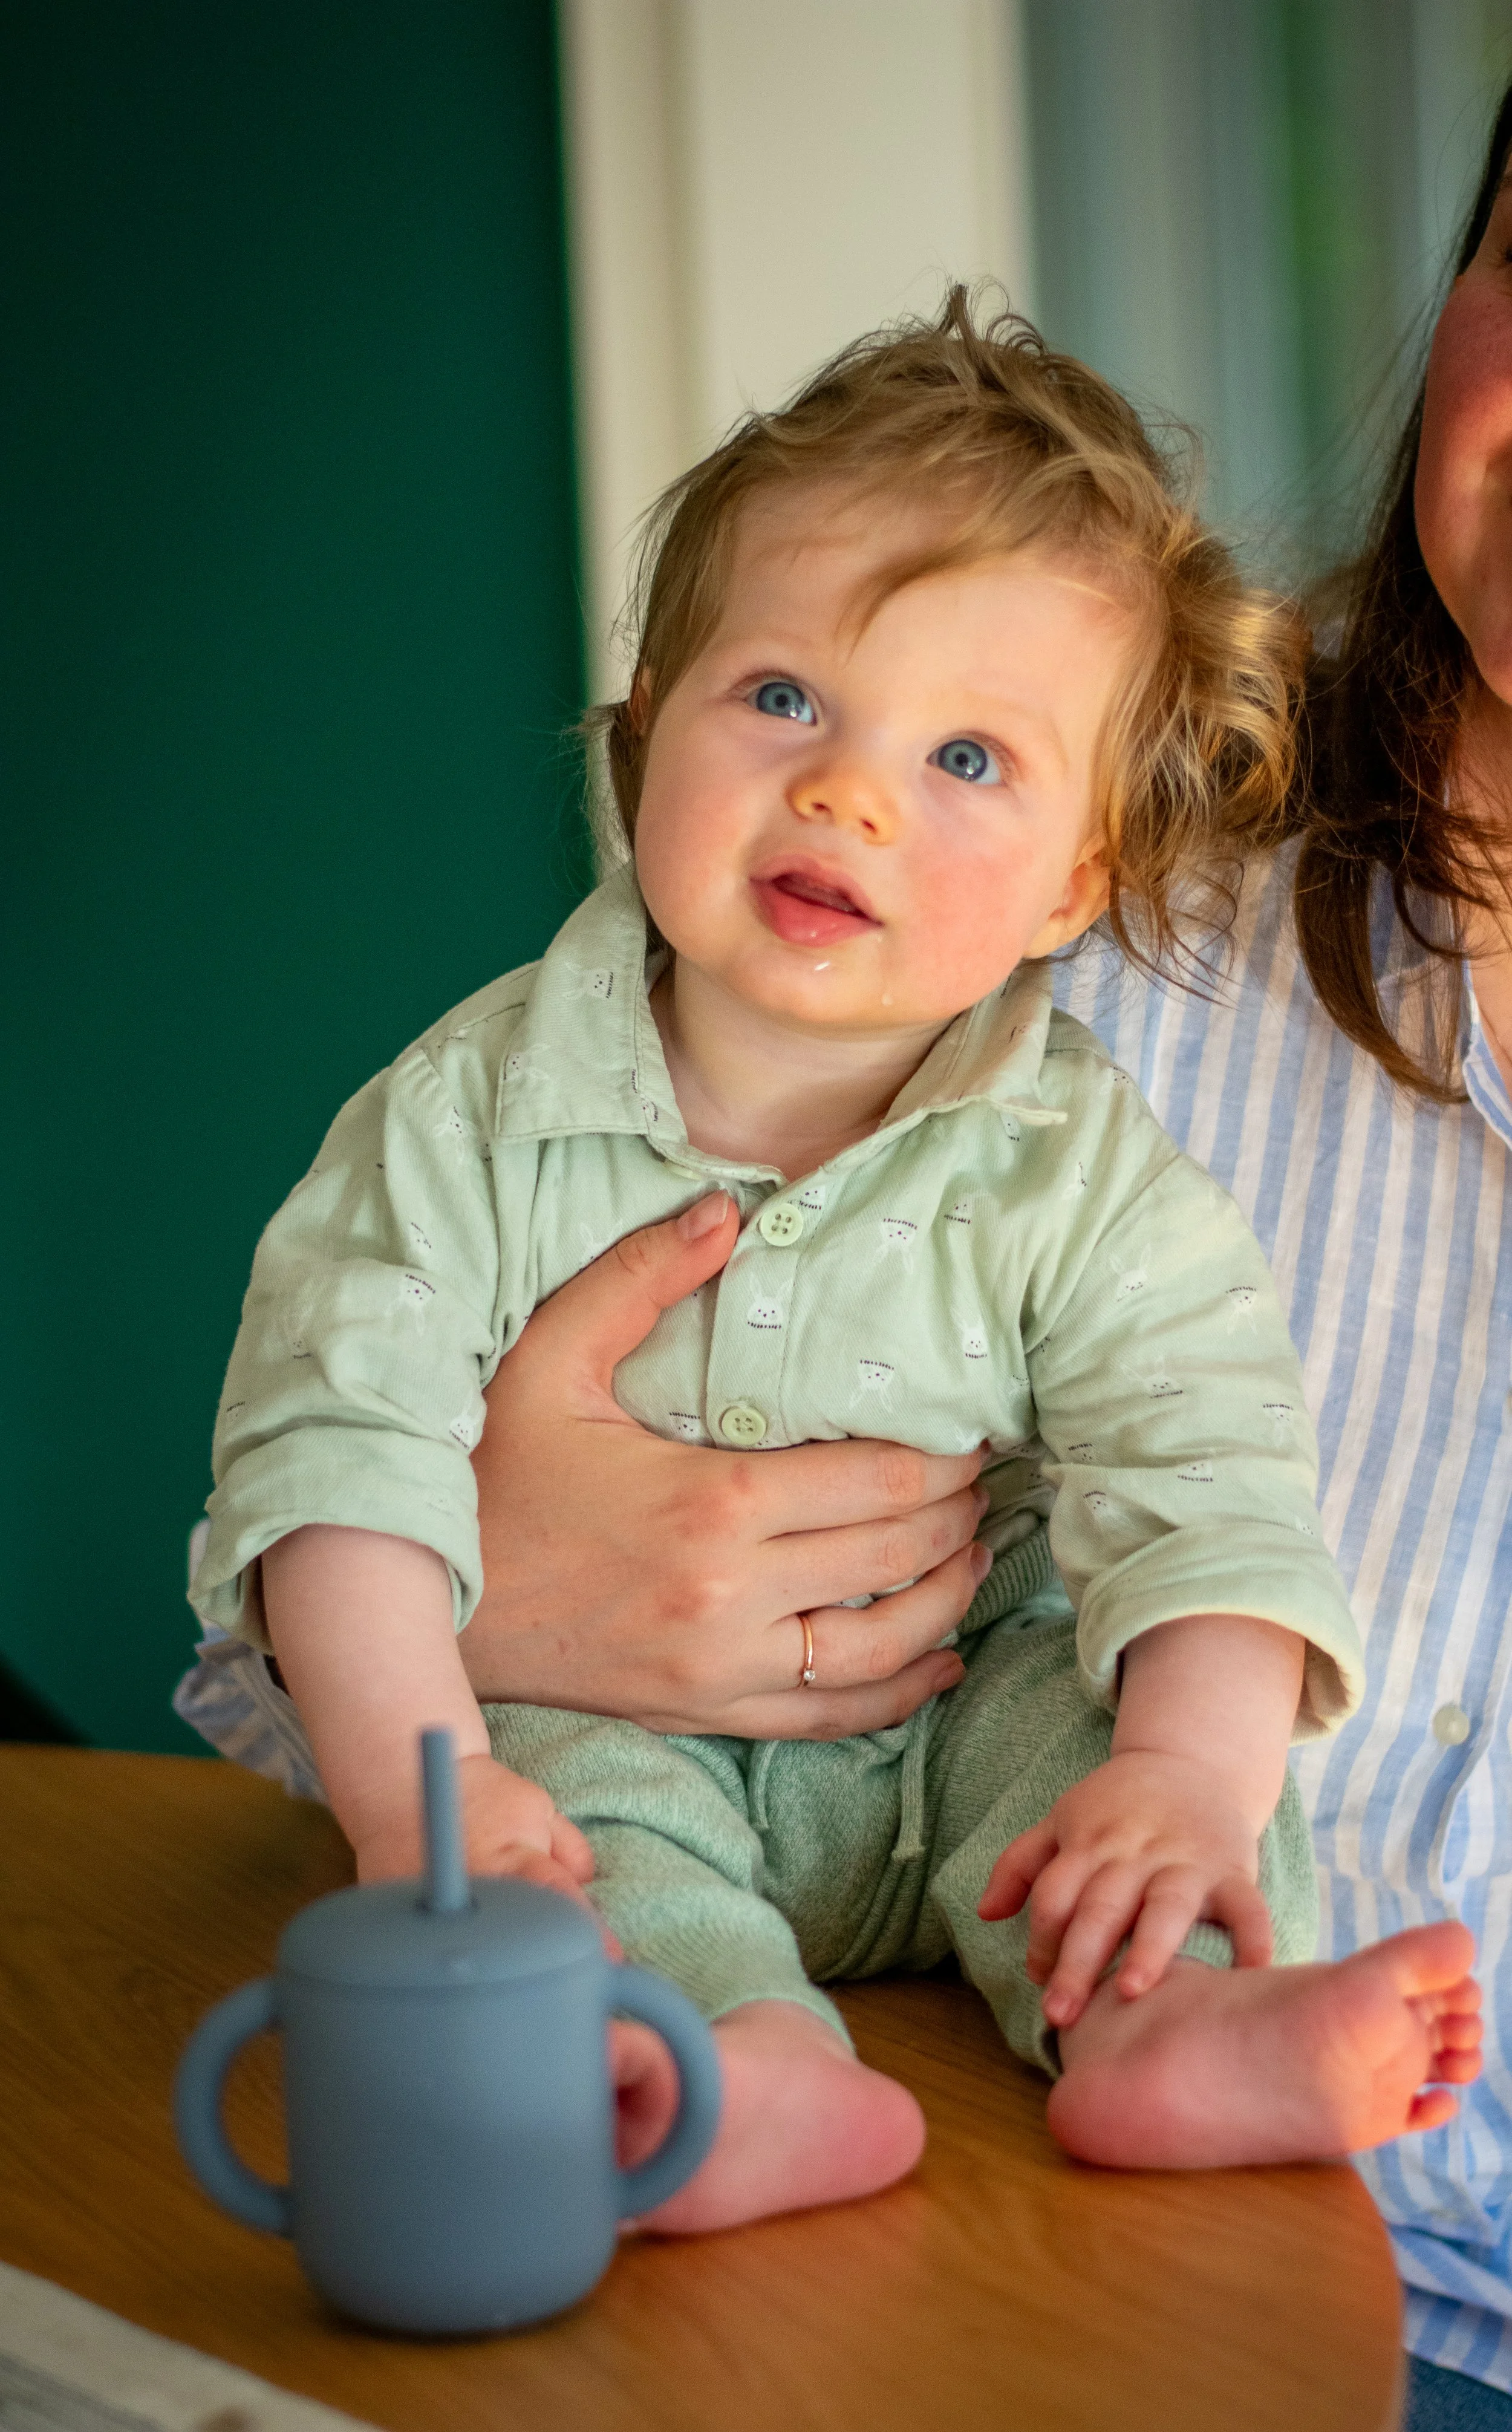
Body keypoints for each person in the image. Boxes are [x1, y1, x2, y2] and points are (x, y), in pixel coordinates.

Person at [181, 295, 1477, 2235]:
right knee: (579, 1832)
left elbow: (1206, 1487)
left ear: (1075, 889)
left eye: (966, 754)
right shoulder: (460, 1120)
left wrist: (1190, 1786)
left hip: (975, 1709)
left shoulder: (1086, 1163)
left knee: (1105, 1753)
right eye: (781, 698)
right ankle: (732, 2069)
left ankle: (1164, 2029)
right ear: (639, 743)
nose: (849, 792)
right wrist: (423, 1794)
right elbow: (330, 1464)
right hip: (616, 1744)